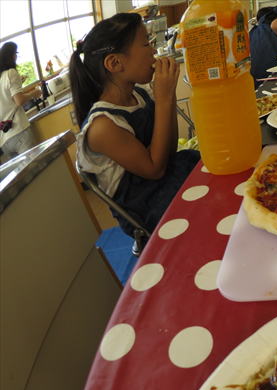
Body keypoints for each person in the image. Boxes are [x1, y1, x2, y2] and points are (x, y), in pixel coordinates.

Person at [70, 13, 199, 234]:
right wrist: (164, 97)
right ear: (115, 63)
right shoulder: (102, 125)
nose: (153, 51)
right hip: (149, 207)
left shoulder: (139, 95)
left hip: (169, 176)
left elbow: (168, 150)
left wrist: (167, 95)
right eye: (146, 43)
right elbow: (154, 169)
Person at [0, 42, 43, 162]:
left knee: (22, 173)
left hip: (4, 140)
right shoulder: (10, 73)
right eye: (16, 53)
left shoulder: (2, 77)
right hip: (19, 131)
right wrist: (35, 93)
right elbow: (19, 100)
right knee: (35, 166)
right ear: (12, 55)